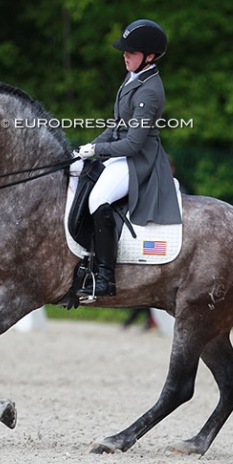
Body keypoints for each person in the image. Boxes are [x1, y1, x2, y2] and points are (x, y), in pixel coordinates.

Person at [76, 19, 182, 297]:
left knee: (99, 199)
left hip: (139, 161)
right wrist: (89, 147)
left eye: (131, 52)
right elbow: (116, 126)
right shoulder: (134, 76)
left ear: (149, 56)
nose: (125, 55)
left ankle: (105, 278)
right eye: (125, 51)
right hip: (121, 152)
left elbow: (134, 143)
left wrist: (98, 152)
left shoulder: (150, 89)